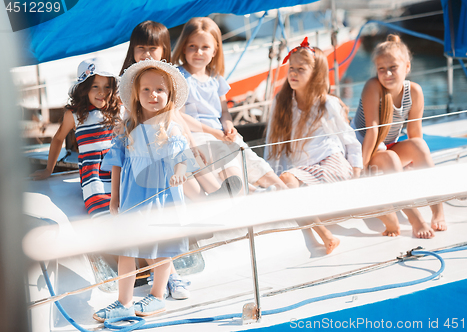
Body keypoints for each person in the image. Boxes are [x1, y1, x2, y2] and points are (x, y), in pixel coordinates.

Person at [94, 60, 197, 322]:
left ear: (169, 95)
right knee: (126, 249)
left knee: (161, 247)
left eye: (160, 90)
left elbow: (182, 158)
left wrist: (179, 172)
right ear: (136, 96)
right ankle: (124, 301)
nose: (153, 95)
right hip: (132, 197)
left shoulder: (171, 128)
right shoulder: (128, 129)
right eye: (146, 90)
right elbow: (116, 164)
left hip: (160, 197)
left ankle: (158, 295)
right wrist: (114, 197)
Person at [121, 20, 241, 201]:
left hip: (169, 139)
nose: (146, 53)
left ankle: (219, 195)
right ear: (133, 50)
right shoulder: (129, 80)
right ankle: (210, 201)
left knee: (190, 157)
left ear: (163, 50)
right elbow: (127, 117)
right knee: (180, 169)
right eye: (141, 48)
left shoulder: (166, 79)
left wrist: (193, 144)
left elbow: (176, 114)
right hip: (147, 145)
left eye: (152, 48)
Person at [265, 38, 363, 254]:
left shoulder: (328, 103)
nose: (293, 73)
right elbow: (273, 147)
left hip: (332, 164)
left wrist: (356, 176)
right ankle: (325, 233)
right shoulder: (281, 104)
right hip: (303, 171)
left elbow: (351, 142)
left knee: (288, 180)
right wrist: (269, 178)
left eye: (301, 69)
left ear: (316, 74)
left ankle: (325, 235)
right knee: (284, 182)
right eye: (291, 68)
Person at [172, 17, 287, 190]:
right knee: (230, 166)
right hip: (197, 134)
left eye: (205, 47)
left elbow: (224, 112)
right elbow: (179, 115)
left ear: (215, 50)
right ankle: (252, 192)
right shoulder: (179, 77)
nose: (198, 52)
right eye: (192, 46)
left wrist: (228, 127)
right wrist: (216, 133)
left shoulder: (216, 78)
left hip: (219, 133)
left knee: (254, 161)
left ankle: (284, 194)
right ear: (183, 47)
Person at [350, 34, 447, 238]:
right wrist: (362, 170)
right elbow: (372, 132)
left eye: (393, 67)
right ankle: (415, 219)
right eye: (381, 69)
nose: (387, 74)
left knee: (420, 147)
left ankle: (438, 210)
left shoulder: (414, 92)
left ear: (407, 67)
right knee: (391, 158)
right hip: (364, 146)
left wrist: (413, 161)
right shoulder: (372, 87)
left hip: (387, 144)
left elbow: (415, 135)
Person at [30, 57, 122, 217]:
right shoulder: (74, 115)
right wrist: (48, 170)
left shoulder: (118, 110)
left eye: (107, 86)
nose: (102, 92)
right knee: (102, 214)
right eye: (95, 86)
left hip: (119, 170)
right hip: (93, 176)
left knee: (128, 211)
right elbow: (58, 139)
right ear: (84, 89)